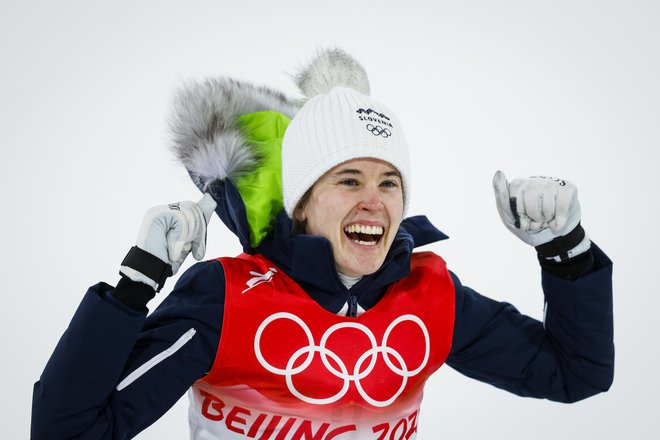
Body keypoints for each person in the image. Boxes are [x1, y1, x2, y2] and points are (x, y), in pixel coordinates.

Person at [31, 49, 614, 440]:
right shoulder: (226, 299)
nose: (374, 201)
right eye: (348, 180)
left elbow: (574, 374)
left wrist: (567, 251)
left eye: (389, 182)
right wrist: (136, 283)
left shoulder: (432, 296)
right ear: (302, 202)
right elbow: (67, 429)